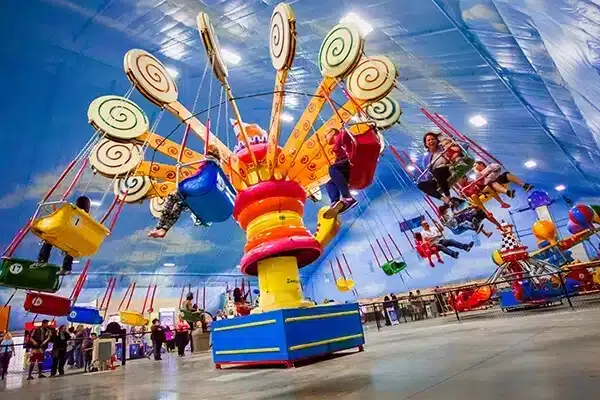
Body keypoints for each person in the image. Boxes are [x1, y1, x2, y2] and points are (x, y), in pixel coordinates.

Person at [148, 146, 221, 238]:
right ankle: (164, 229)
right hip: (202, 196)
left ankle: (159, 226)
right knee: (179, 206)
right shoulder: (218, 169)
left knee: (172, 197)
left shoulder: (207, 162)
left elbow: (199, 175)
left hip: (196, 189)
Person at [30, 195, 90, 275]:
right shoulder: (87, 219)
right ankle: (66, 268)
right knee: (72, 250)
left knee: (48, 240)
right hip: (72, 240)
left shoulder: (70, 210)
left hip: (61, 235)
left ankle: (42, 260)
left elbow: (59, 221)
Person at [417, 132, 463, 207]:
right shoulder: (426, 159)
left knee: (437, 171)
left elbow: (452, 147)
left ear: (436, 140)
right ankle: (445, 200)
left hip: (447, 169)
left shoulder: (442, 147)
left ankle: (448, 195)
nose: (431, 141)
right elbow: (427, 175)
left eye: (433, 139)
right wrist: (430, 170)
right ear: (426, 144)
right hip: (436, 176)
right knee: (420, 184)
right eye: (428, 140)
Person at [323, 127, 357, 218]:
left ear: (333, 132)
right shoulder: (337, 149)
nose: (325, 138)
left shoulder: (342, 136)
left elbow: (347, 135)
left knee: (333, 169)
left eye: (326, 135)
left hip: (353, 160)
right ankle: (335, 202)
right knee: (330, 184)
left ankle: (348, 198)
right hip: (346, 168)